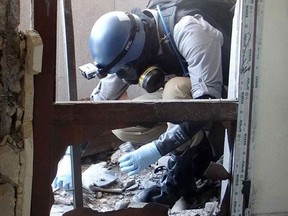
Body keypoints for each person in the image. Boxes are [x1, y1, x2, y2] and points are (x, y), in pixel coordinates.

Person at [85, 1, 233, 207]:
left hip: (223, 102)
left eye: (127, 69)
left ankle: (178, 181)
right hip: (189, 104)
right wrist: (69, 154)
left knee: (175, 89)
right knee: (122, 120)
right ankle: (195, 157)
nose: (125, 76)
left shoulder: (190, 30)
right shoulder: (133, 45)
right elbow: (98, 107)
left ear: (140, 51)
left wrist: (156, 148)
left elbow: (208, 106)